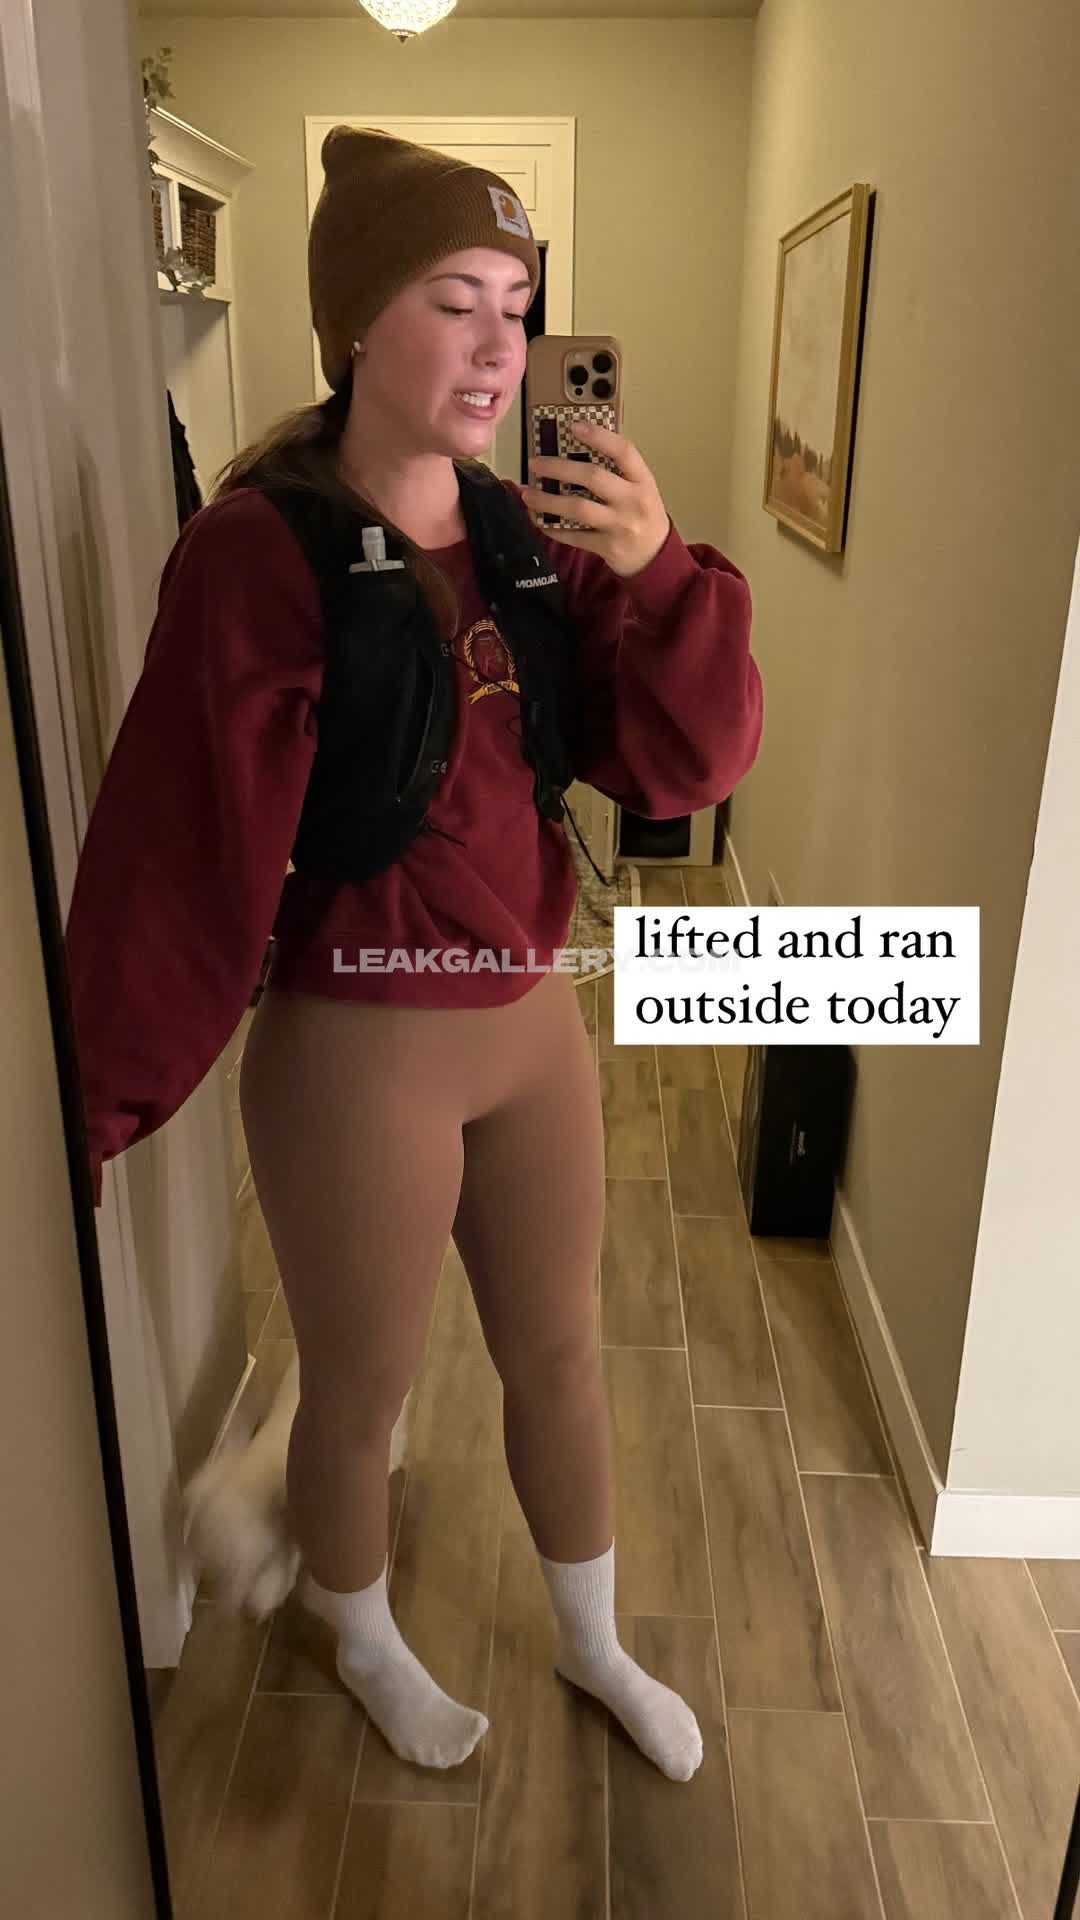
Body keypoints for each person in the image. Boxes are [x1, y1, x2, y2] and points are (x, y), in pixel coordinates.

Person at [64, 126, 763, 1784]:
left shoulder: (531, 534)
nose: (498, 346)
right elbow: (177, 849)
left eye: (516, 307)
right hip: (355, 1047)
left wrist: (660, 573)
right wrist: (88, 1108)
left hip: (529, 1028)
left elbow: (679, 764)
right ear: (355, 324)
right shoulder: (259, 552)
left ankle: (593, 1640)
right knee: (359, 1394)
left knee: (562, 1355)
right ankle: (361, 1632)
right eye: (453, 301)